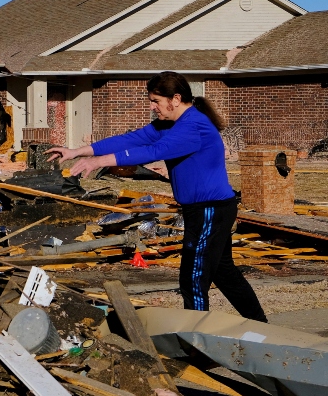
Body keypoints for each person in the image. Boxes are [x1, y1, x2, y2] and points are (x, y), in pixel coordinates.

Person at [46, 71, 267, 322]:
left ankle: (195, 337)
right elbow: (130, 140)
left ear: (176, 99)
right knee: (223, 272)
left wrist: (98, 162)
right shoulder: (169, 125)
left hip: (210, 209)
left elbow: (154, 151)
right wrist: (77, 151)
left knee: (193, 278)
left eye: (156, 101)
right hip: (203, 210)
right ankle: (261, 326)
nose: (152, 107)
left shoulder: (194, 126)